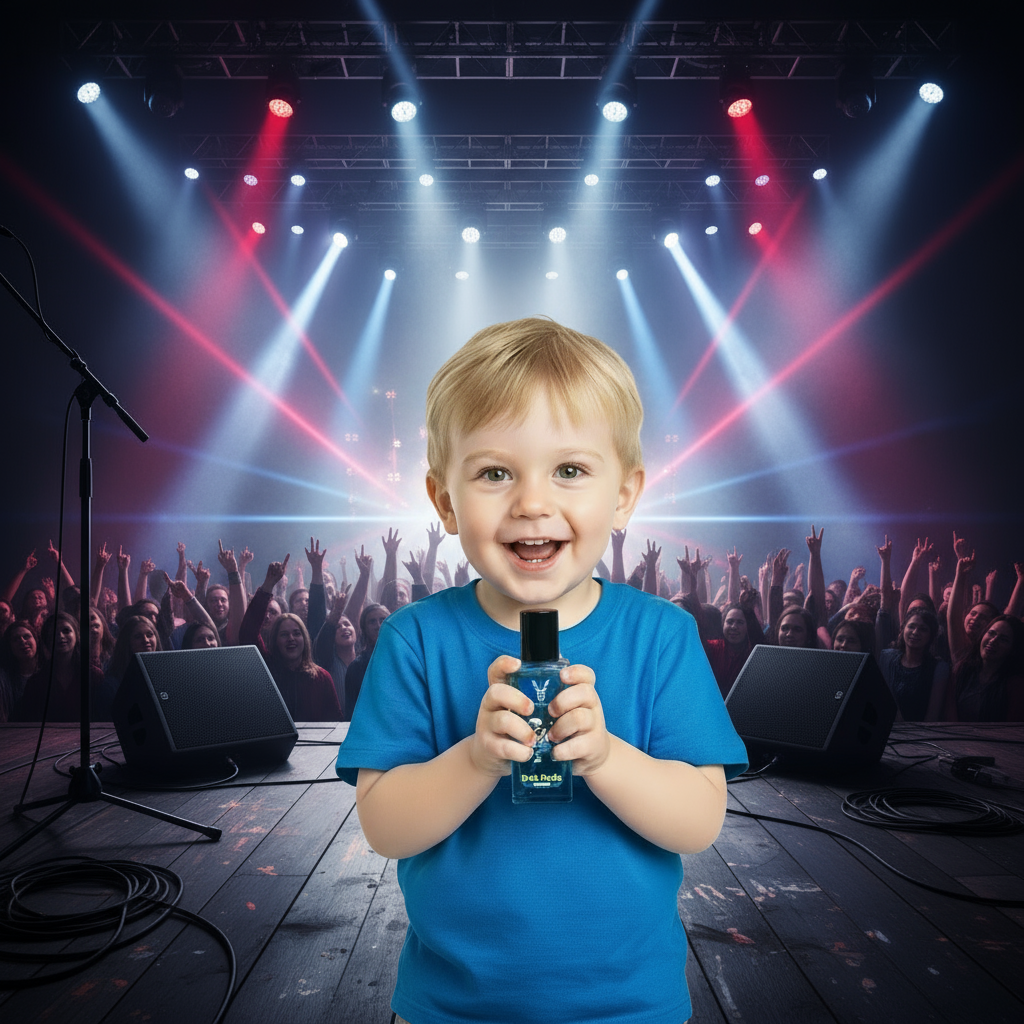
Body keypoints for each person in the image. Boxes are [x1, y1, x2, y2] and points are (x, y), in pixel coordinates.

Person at [336, 317, 747, 1024]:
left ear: (623, 495)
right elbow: (384, 828)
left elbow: (700, 820)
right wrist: (475, 760)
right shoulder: (413, 639)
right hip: (449, 1008)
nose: (532, 501)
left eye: (570, 470)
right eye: (495, 472)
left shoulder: (663, 636)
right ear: (444, 501)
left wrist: (607, 756)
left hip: (632, 1007)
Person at [877, 610, 948, 721]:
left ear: (931, 636)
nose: (915, 632)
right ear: (903, 629)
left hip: (920, 733)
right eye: (911, 626)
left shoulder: (938, 668)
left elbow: (932, 716)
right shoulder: (887, 658)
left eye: (923, 629)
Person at [340, 603, 389, 720]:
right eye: (372, 621)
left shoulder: (405, 660)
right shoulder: (356, 668)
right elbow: (352, 713)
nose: (378, 625)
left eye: (382, 619)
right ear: (364, 629)